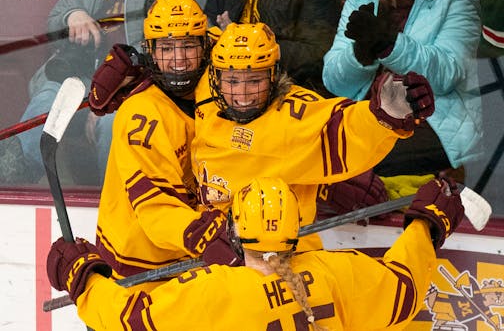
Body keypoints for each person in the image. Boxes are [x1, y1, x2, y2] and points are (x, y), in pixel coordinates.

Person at [46, 176, 466, 330]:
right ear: (297, 232)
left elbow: (125, 318)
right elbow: (405, 288)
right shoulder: (337, 272)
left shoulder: (210, 292)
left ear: (234, 231)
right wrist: (426, 223)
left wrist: (83, 279)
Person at [191, 22, 435, 252]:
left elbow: (342, 128)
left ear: (273, 75)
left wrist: (385, 114)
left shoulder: (291, 117)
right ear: (216, 76)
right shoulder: (207, 94)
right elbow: (193, 45)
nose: (242, 94)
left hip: (279, 255)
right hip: (213, 247)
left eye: (255, 80)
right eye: (233, 81)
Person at [90, 0, 241, 291]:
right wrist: (207, 234)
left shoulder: (215, 83)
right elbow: (157, 209)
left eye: (188, 46)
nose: (179, 59)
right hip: (136, 268)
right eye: (167, 48)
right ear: (152, 53)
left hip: (189, 259)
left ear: (205, 47)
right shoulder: (142, 115)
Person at [0, 0, 209, 185]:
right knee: (47, 99)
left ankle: (109, 196)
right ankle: (16, 178)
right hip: (81, 74)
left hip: (133, 82)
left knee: (113, 122)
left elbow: (164, 54)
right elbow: (55, 21)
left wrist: (110, 94)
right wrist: (71, 15)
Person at [322, 0, 482, 182]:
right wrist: (360, 52)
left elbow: (448, 74)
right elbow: (333, 81)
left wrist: (388, 44)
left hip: (435, 120)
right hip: (370, 115)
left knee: (357, 160)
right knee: (317, 149)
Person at [203, 0, 342, 97]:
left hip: (288, 93)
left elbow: (320, 53)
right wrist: (220, 40)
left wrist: (260, 49)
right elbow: (204, 35)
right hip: (228, 90)